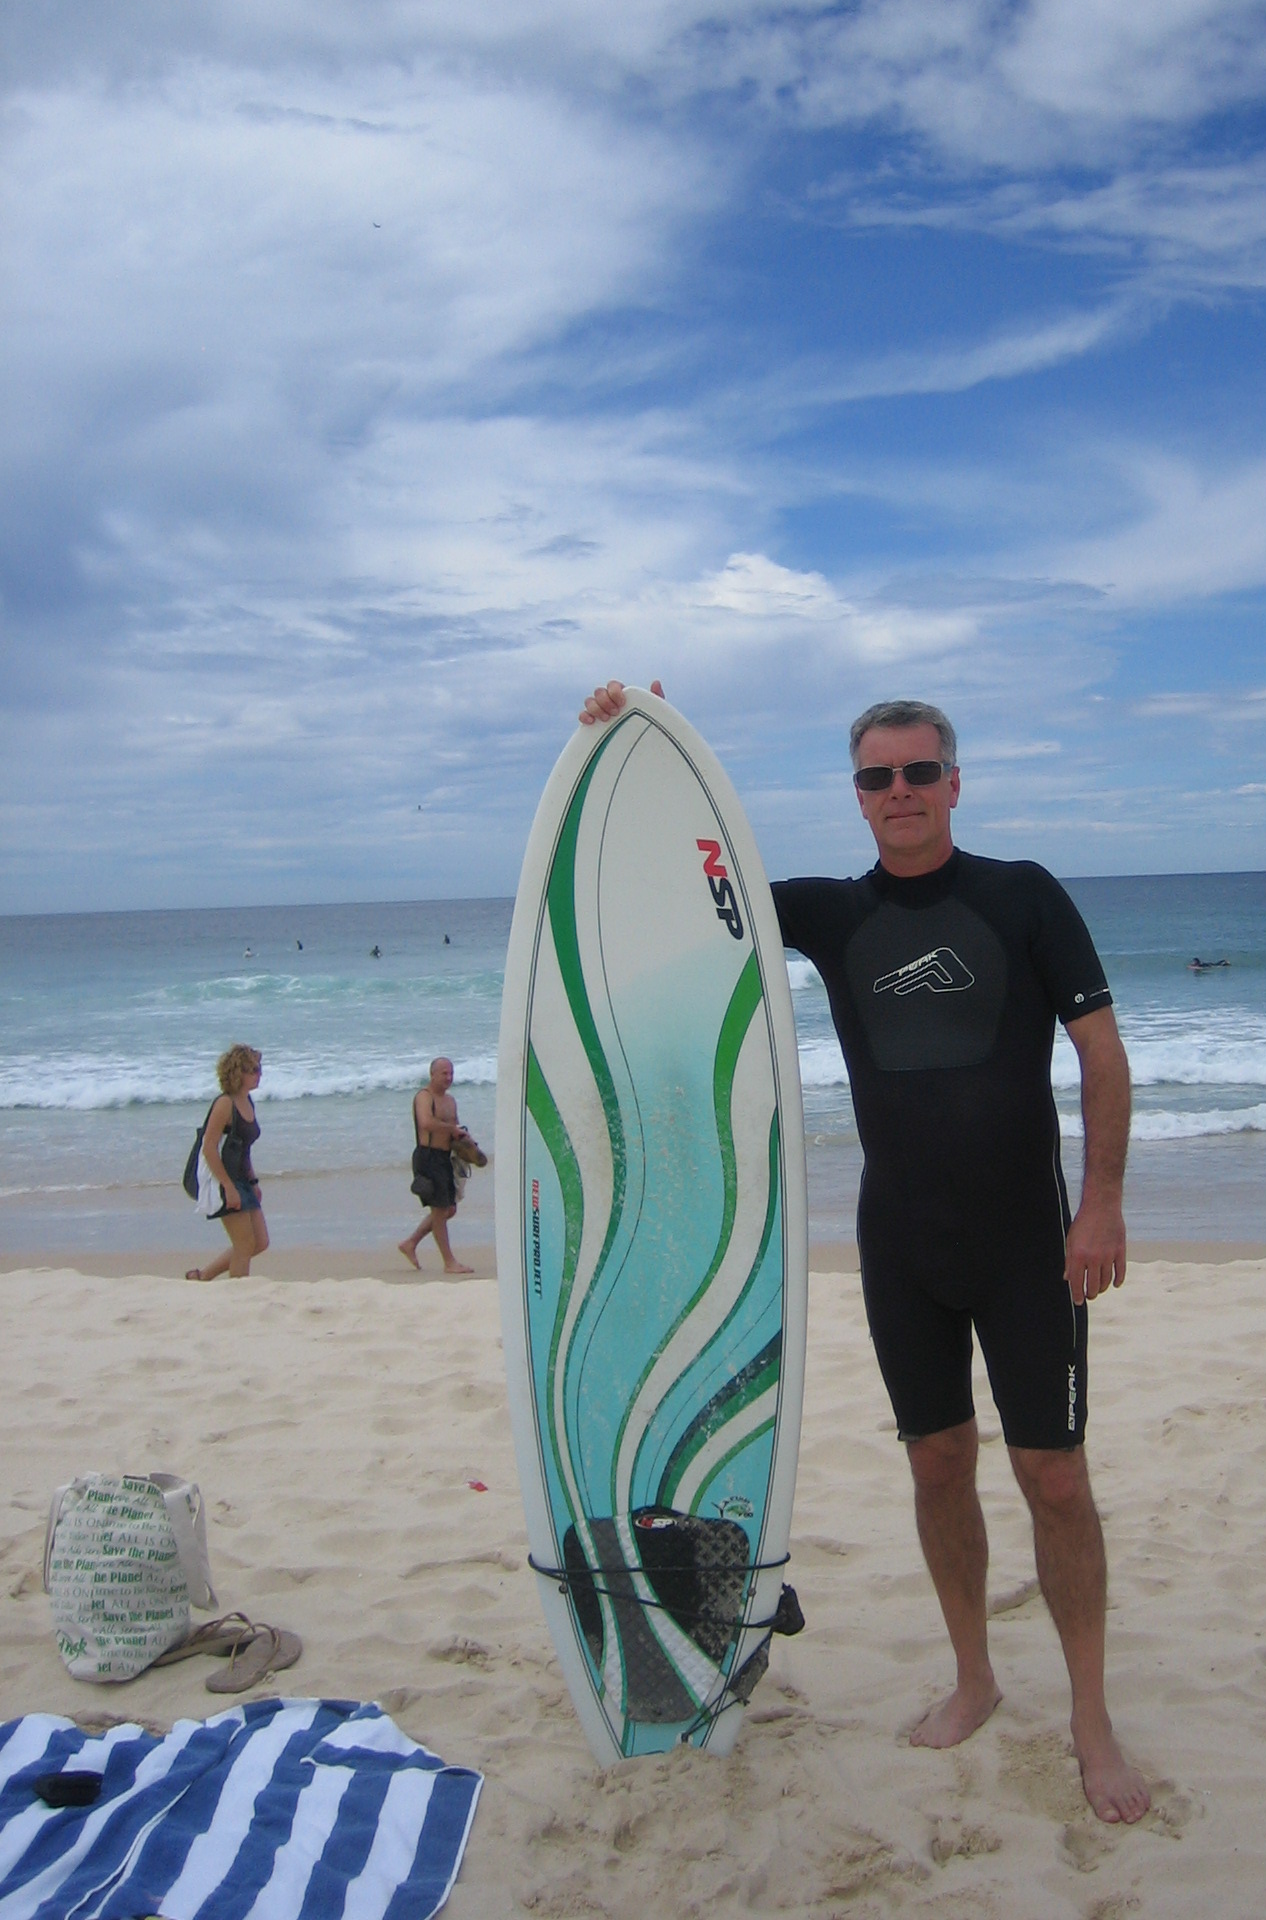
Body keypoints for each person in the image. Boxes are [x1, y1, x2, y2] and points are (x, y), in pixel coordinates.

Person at [578, 680, 1149, 1826]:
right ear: (858, 793)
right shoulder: (834, 915)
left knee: (1055, 1474)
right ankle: (976, 1674)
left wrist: (1102, 1204)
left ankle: (1090, 1713)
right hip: (899, 1238)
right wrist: (643, 738)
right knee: (937, 1460)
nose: (900, 792)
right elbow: (702, 886)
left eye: (919, 770)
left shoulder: (1023, 895)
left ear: (953, 779)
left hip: (1028, 1239)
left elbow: (1101, 1056)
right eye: (877, 776)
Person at [187, 1044, 270, 1281]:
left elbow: (244, 1149)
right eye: (253, 1069)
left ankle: (203, 1277)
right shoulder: (225, 1104)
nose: (259, 1074)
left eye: (259, 1068)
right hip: (223, 1179)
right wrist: (228, 1187)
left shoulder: (247, 1102)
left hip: (243, 1179)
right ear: (237, 1073)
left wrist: (253, 1181)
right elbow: (209, 1147)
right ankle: (238, 1295)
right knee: (244, 1245)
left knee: (260, 1242)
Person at [399, 1058, 479, 1275]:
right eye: (444, 1073)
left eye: (451, 1073)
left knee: (449, 1209)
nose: (449, 1078)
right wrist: (451, 1129)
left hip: (446, 1158)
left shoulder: (451, 1101)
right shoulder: (424, 1097)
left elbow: (454, 1129)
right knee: (440, 1210)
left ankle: (411, 1243)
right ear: (432, 1074)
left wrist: (466, 1142)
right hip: (428, 1157)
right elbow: (426, 1123)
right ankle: (449, 1262)